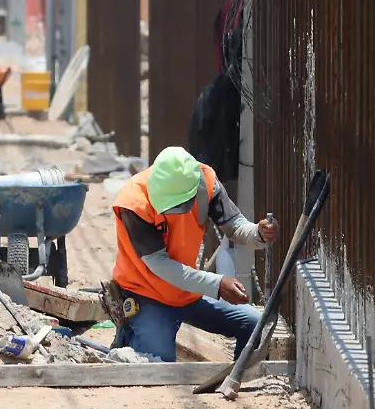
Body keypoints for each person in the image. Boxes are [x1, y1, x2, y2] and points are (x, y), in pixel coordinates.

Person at [110, 146, 278, 362]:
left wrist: (259, 233)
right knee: (159, 363)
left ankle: (240, 375)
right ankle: (128, 335)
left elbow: (235, 226)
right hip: (146, 294)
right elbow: (160, 264)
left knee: (255, 324)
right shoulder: (134, 202)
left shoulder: (205, 182)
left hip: (188, 291)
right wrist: (216, 284)